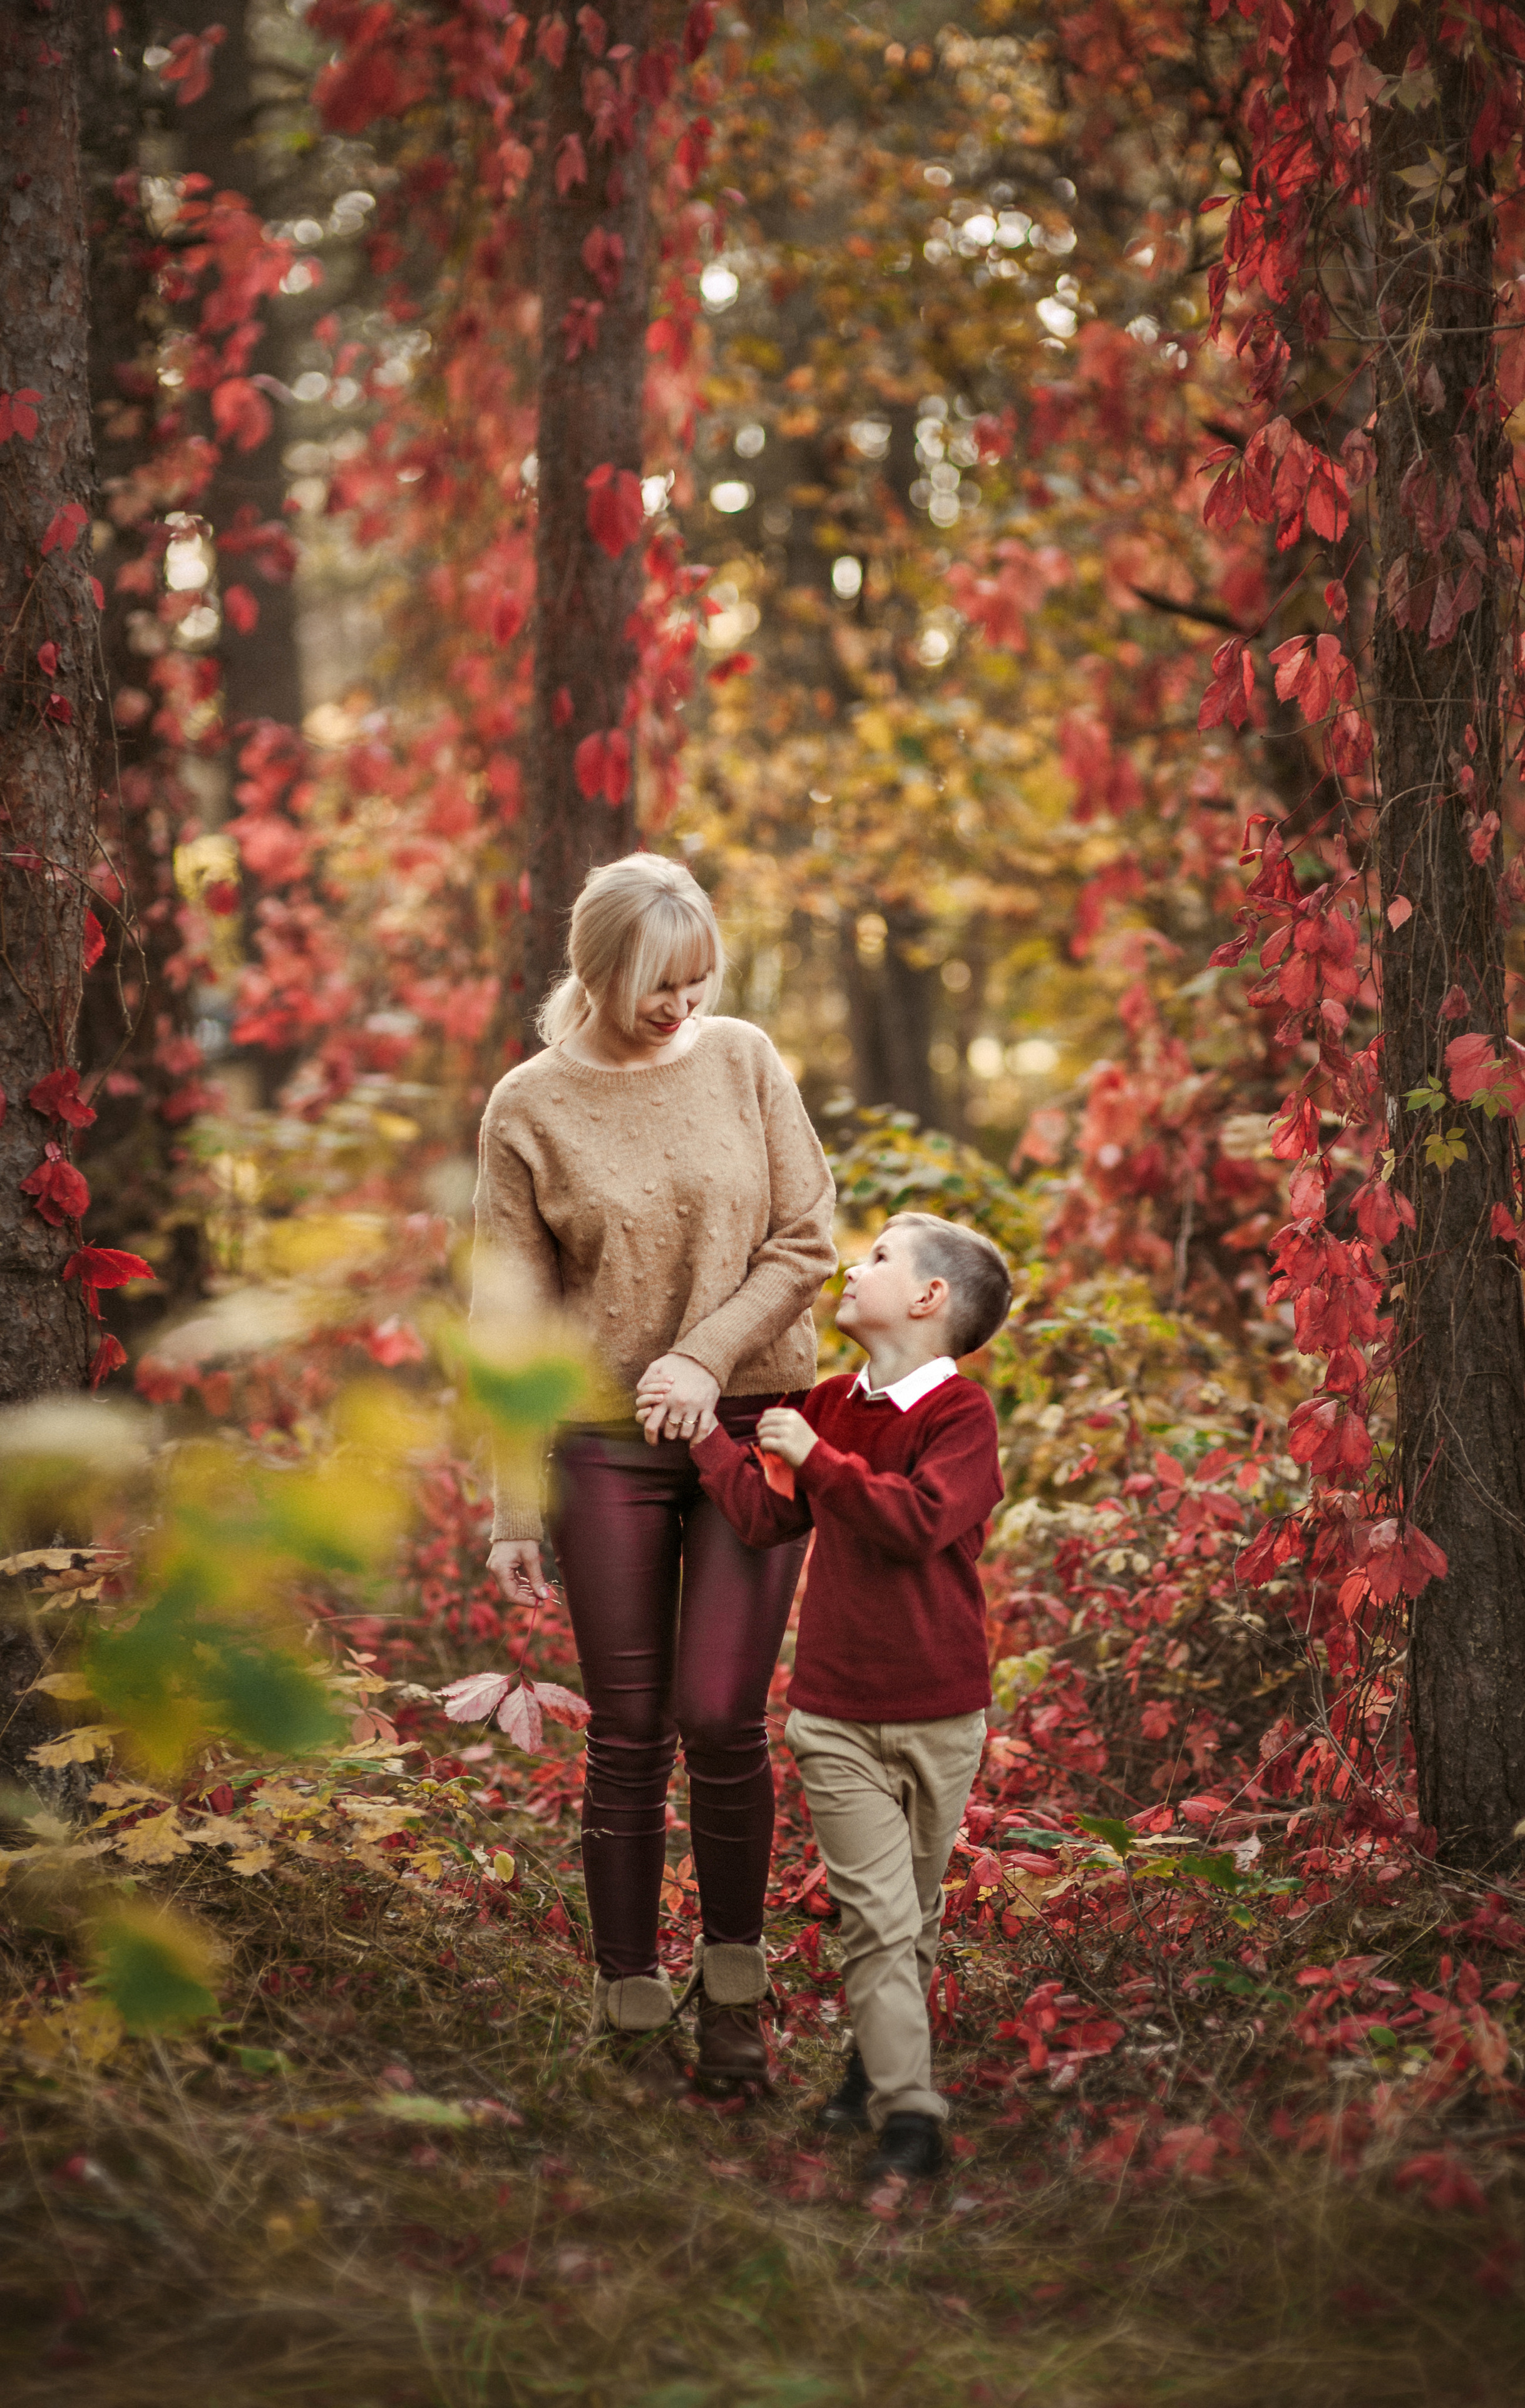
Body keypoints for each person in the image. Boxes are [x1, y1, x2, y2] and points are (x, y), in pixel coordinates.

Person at [472, 854, 836, 2085]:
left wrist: (701, 1355)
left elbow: (805, 1240)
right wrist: (511, 1503)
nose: (682, 1006)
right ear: (597, 972)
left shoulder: (743, 1060)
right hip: (603, 1444)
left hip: (755, 1424)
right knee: (630, 1733)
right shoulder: (529, 1105)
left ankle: (734, 1994)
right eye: (658, 986)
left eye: (697, 981)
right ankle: (627, 2006)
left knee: (722, 1717)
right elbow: (508, 1320)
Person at [690, 1210, 1012, 2180]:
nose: (851, 1269)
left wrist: (815, 1456)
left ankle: (870, 2071)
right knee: (877, 1915)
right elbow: (764, 1519)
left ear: (929, 1297)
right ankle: (911, 2115)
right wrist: (707, 1438)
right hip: (834, 1713)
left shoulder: (961, 1418)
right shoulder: (827, 1404)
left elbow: (917, 1522)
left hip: (942, 1710)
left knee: (913, 1913)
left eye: (876, 1258)